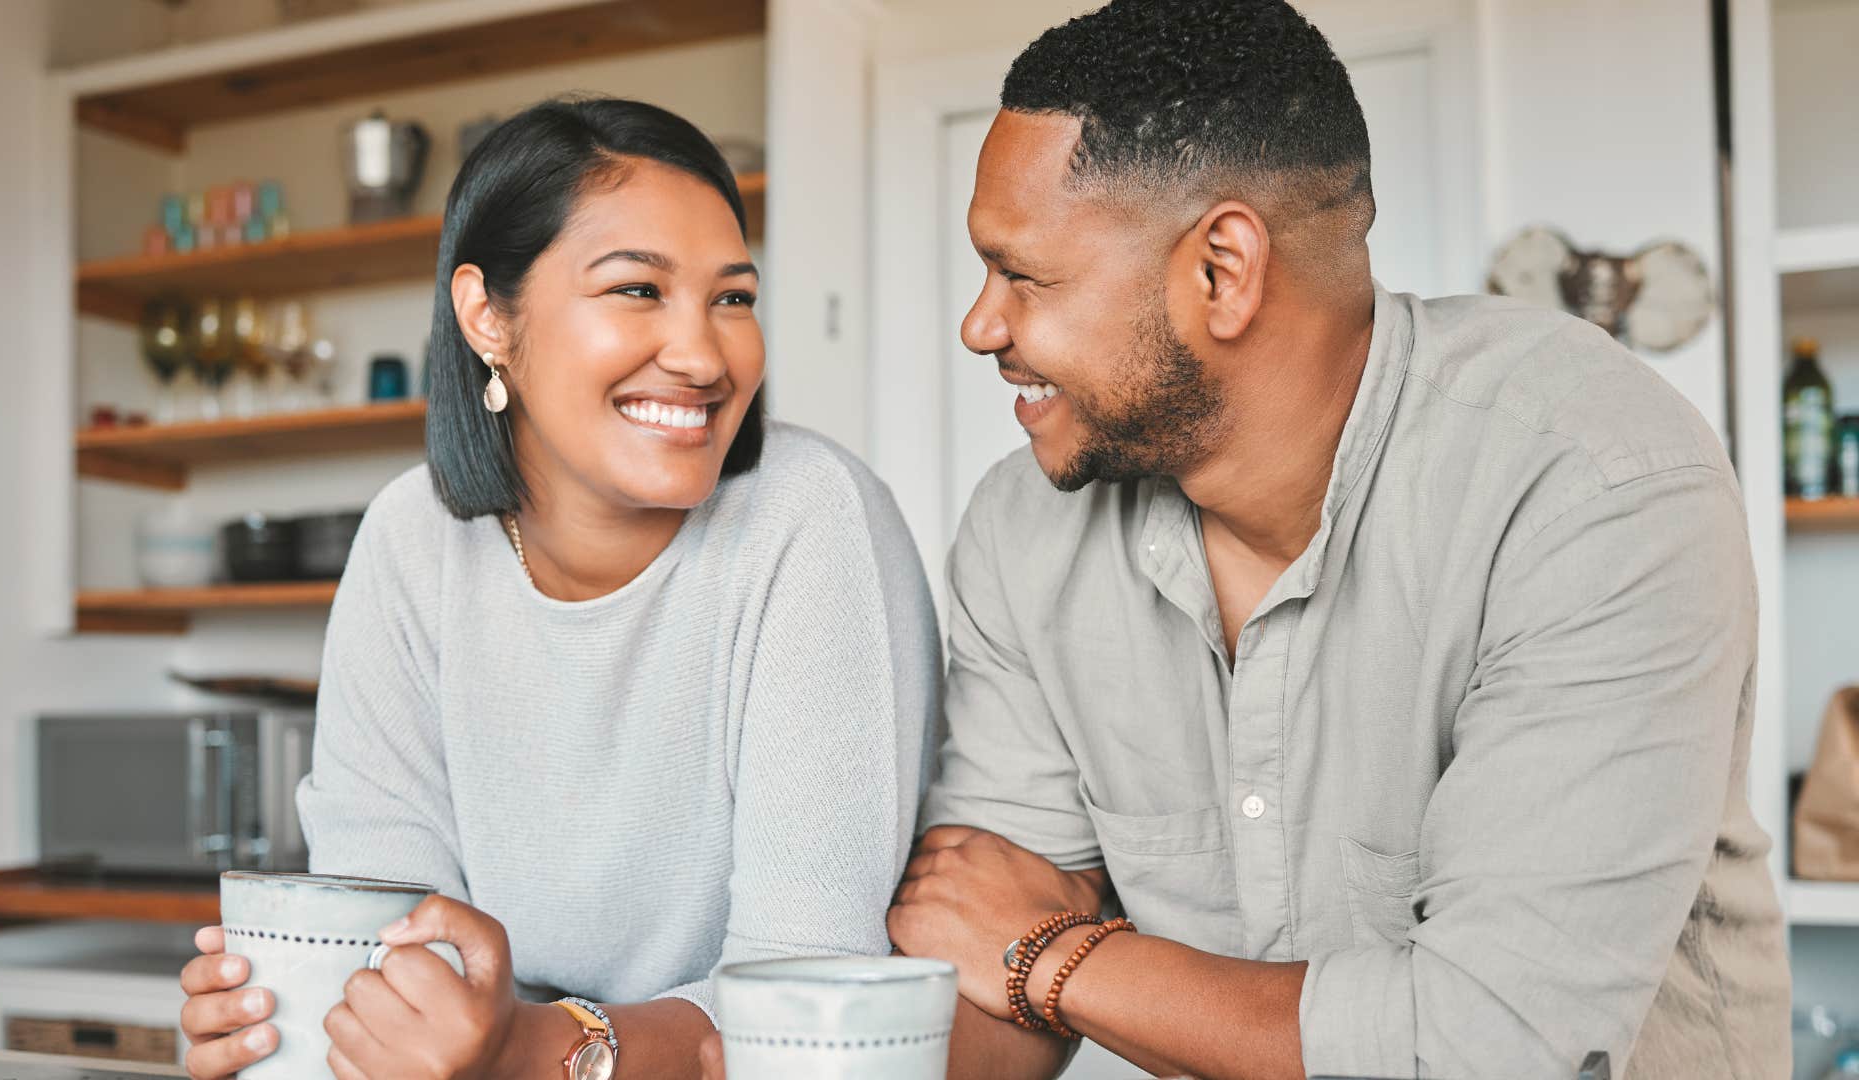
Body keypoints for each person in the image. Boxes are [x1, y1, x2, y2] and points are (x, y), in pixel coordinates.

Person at [882, 2, 1792, 1078]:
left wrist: (1052, 958)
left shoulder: (1592, 481)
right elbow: (976, 940)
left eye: (1023, 275)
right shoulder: (1023, 527)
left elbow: (1489, 1049)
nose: (981, 326)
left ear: (1222, 270)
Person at [175, 97, 941, 1080]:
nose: (704, 356)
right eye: (637, 289)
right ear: (487, 317)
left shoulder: (811, 516)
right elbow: (393, 945)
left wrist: (538, 1048)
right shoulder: (410, 541)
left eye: (733, 298)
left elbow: (804, 998)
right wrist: (293, 1022)